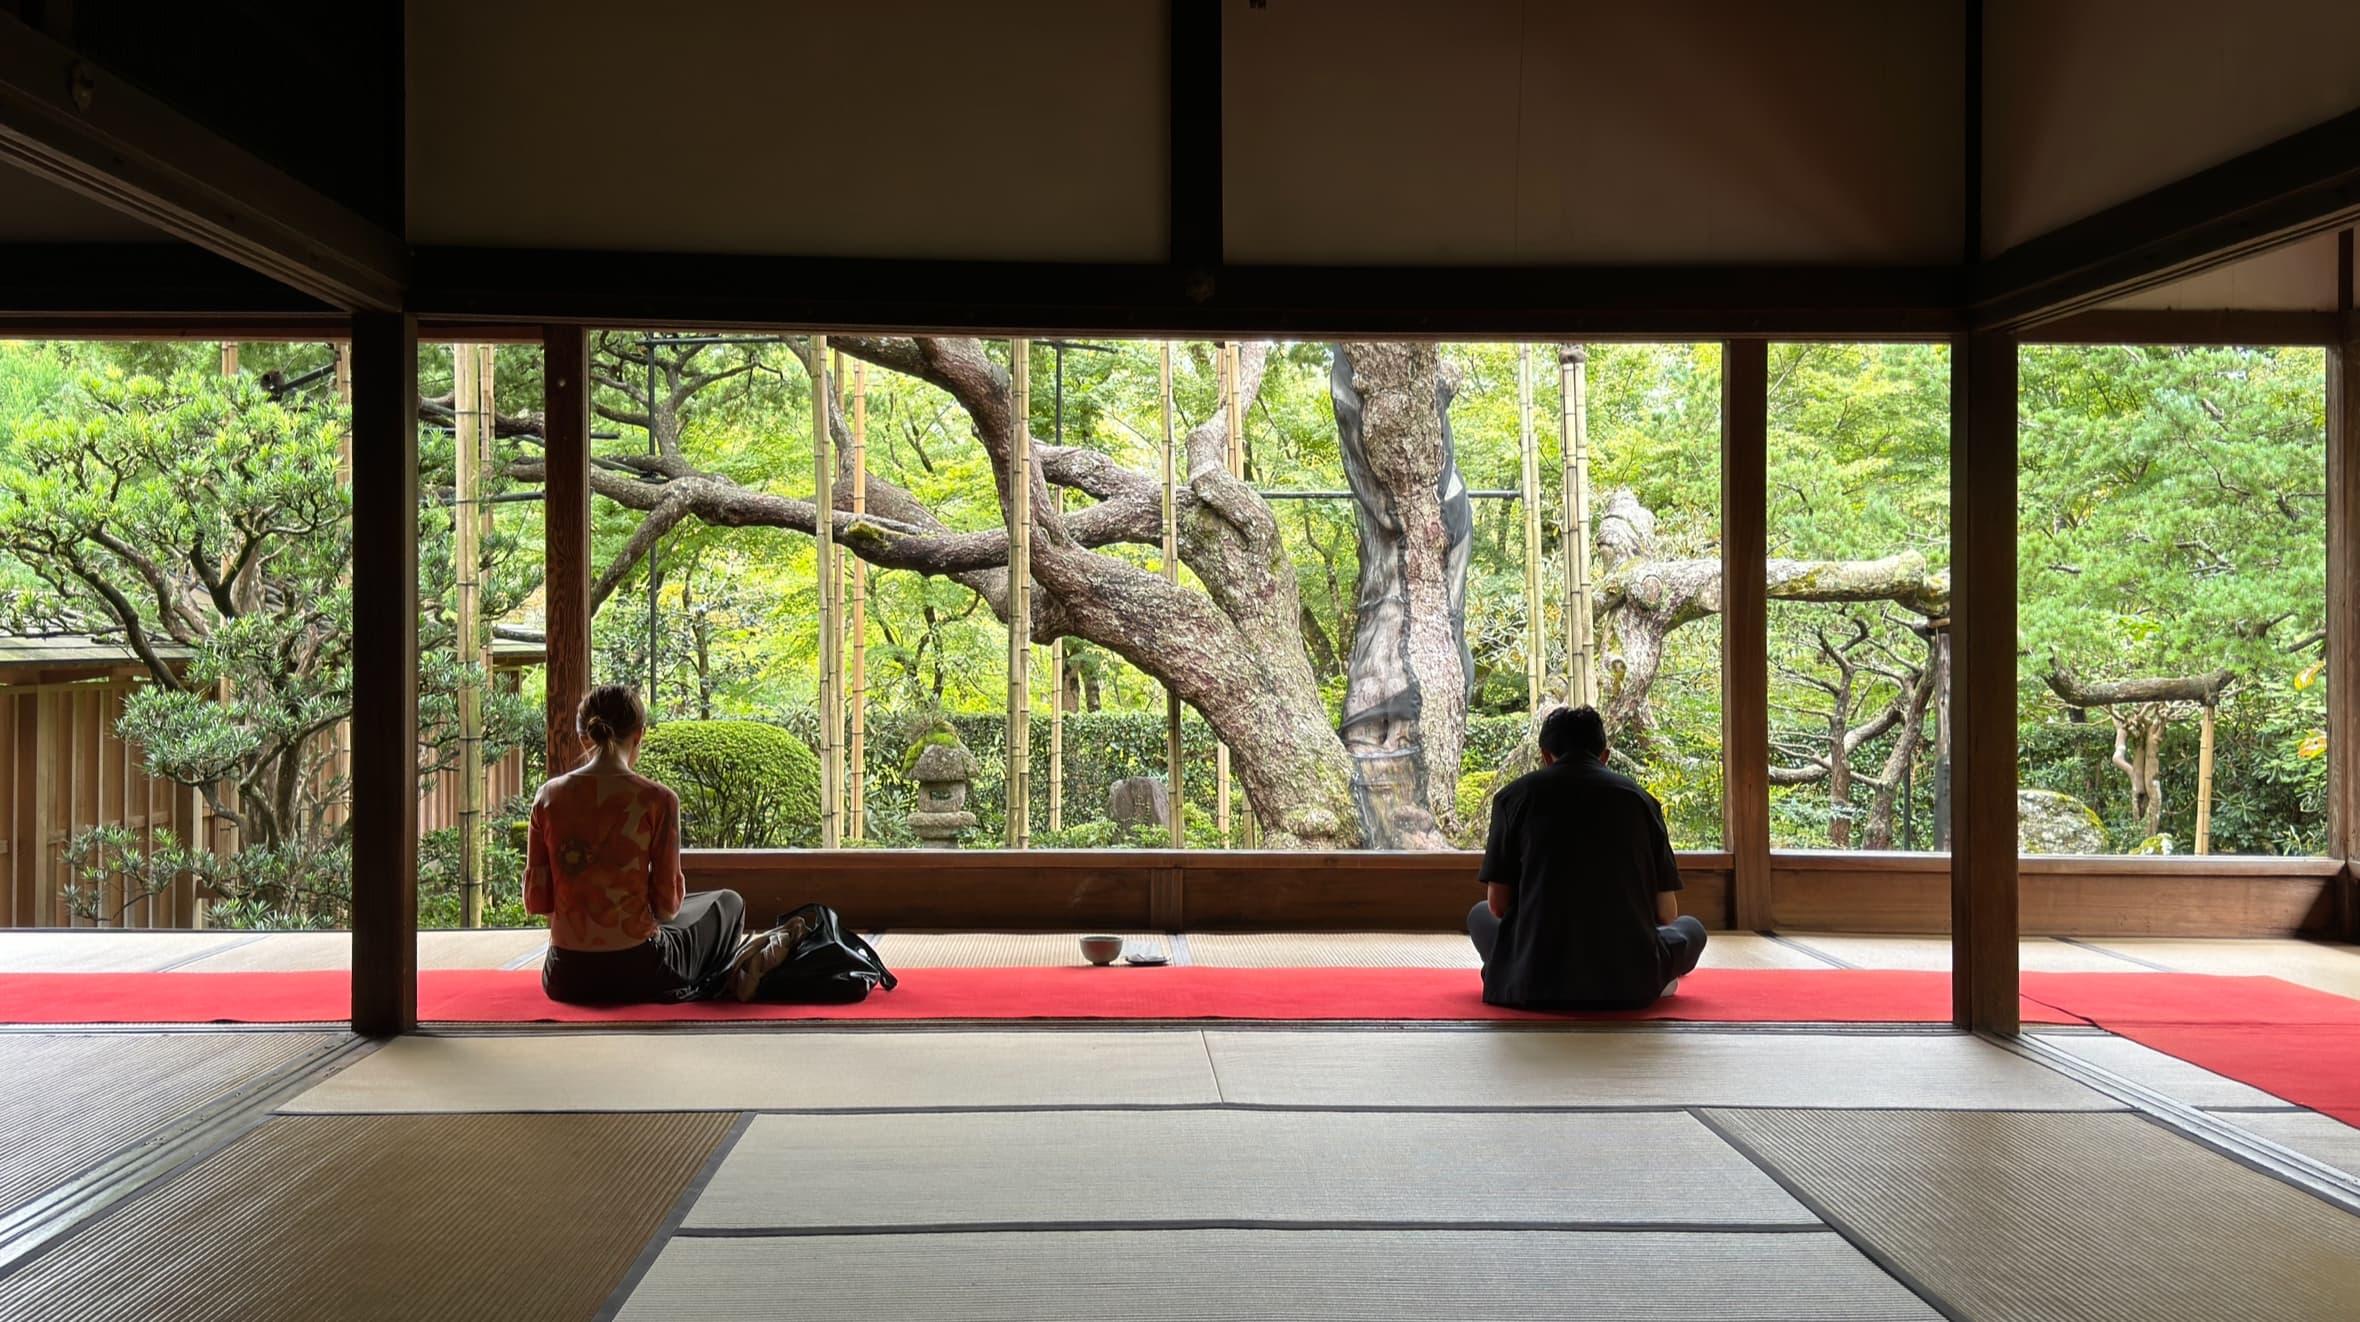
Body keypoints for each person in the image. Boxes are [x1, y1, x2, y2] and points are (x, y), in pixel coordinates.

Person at [526, 684, 795, 1003]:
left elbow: (537, 902)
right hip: (642, 972)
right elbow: (667, 906)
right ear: (639, 735)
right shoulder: (657, 800)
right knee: (728, 902)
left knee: (700, 907)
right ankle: (713, 986)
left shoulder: (548, 797)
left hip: (565, 976)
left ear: (585, 737)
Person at [1468, 704, 1706, 1010]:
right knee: (1691, 928)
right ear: (1604, 755)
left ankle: (1509, 969)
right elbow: (1667, 913)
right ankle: (1658, 976)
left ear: (1545, 755)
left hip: (1533, 979)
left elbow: (1497, 906)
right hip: (1629, 979)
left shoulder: (1513, 798)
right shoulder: (1641, 801)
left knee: (1479, 915)